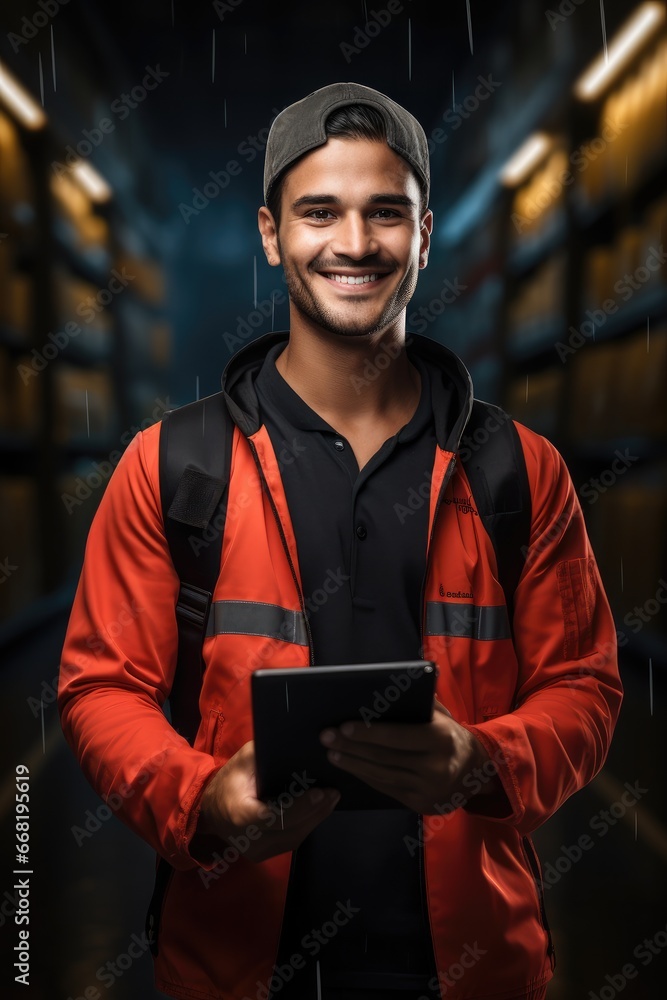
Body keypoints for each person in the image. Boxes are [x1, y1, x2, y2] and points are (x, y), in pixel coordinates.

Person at [58, 82, 623, 1000]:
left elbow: (584, 688)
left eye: (384, 214)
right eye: (319, 212)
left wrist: (485, 763)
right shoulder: (171, 466)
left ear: (426, 234)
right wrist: (201, 801)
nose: (354, 245)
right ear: (271, 233)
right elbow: (99, 685)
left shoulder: (520, 473)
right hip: (238, 966)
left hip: (472, 969)